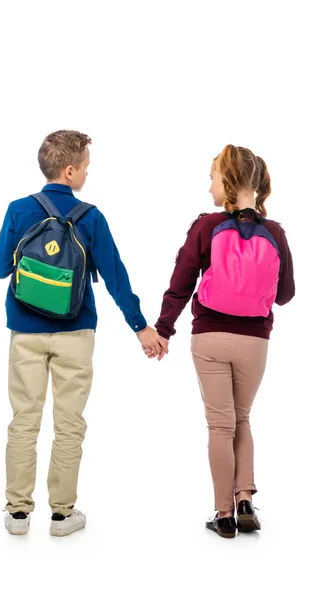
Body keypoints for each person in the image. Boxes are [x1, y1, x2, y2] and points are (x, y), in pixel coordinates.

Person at [0, 129, 167, 536]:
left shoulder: (18, 210)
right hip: (76, 334)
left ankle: (17, 514)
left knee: (24, 420)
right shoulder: (90, 216)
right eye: (86, 167)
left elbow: (0, 268)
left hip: (25, 332)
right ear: (70, 171)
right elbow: (116, 277)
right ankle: (61, 515)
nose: (87, 174)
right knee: (69, 423)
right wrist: (141, 327)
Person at [146, 144, 295, 538]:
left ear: (227, 181)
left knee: (219, 425)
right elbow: (285, 295)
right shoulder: (275, 232)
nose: (209, 183)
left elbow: (180, 285)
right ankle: (246, 498)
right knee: (242, 419)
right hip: (255, 342)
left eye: (212, 175)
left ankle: (223, 515)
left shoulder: (206, 226)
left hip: (209, 337)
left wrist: (162, 331)